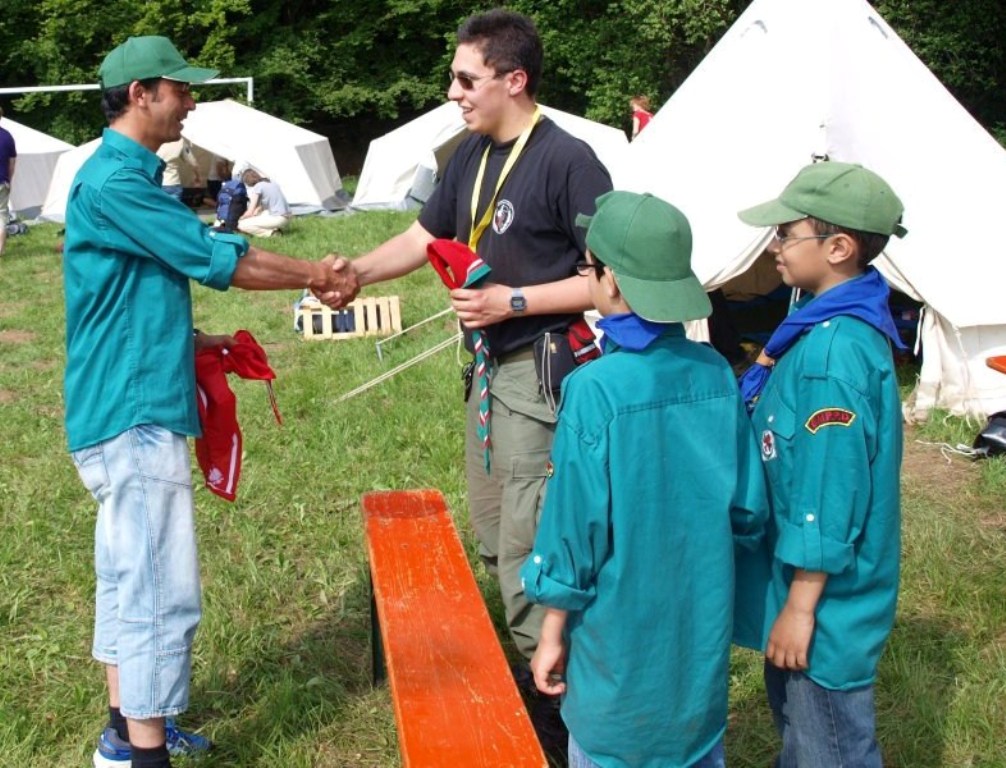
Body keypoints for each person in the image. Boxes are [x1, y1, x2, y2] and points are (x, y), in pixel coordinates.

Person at [326, 9, 612, 762]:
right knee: (494, 541)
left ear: (513, 80)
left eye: (465, 79)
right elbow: (425, 238)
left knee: (527, 554)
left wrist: (510, 302)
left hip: (539, 377)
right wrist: (354, 273)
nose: (452, 91)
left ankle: (567, 729)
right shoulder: (469, 156)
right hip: (488, 381)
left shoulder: (569, 160)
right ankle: (542, 679)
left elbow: (612, 285)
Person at [63, 35, 351, 768]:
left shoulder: (121, 177)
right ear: (140, 95)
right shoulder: (115, 184)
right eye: (179, 88)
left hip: (123, 402)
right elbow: (222, 257)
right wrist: (317, 272)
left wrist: (197, 339)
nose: (191, 101)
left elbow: (128, 297)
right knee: (160, 584)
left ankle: (123, 734)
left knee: (127, 575)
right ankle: (145, 757)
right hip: (132, 417)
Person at [520, 190, 768, 768]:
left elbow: (571, 531)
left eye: (589, 266)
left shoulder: (595, 389)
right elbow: (748, 510)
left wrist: (552, 628)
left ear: (610, 282)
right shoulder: (715, 371)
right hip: (698, 631)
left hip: (617, 652)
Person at [733, 161, 908, 767]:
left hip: (826, 608)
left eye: (786, 234)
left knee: (829, 749)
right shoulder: (820, 326)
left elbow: (830, 492)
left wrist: (801, 609)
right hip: (806, 589)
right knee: (804, 738)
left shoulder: (832, 354)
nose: (775, 246)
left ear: (838, 247)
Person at [237, 168, 292, 237]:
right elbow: (267, 203)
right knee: (257, 215)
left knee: (241, 225)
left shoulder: (258, 187)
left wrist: (239, 219)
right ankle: (274, 228)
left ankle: (272, 233)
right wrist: (257, 210)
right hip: (287, 216)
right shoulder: (271, 182)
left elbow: (250, 212)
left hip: (279, 218)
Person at [156, 136, 200, 202]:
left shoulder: (151, 138)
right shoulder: (180, 141)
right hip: (173, 183)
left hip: (156, 183)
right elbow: (194, 163)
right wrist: (197, 177)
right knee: (174, 211)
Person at [0, 106, 17, 258]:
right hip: (2, 182)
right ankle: (0, 249)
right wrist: (8, 181)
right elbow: (11, 163)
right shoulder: (7, 136)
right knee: (1, 216)